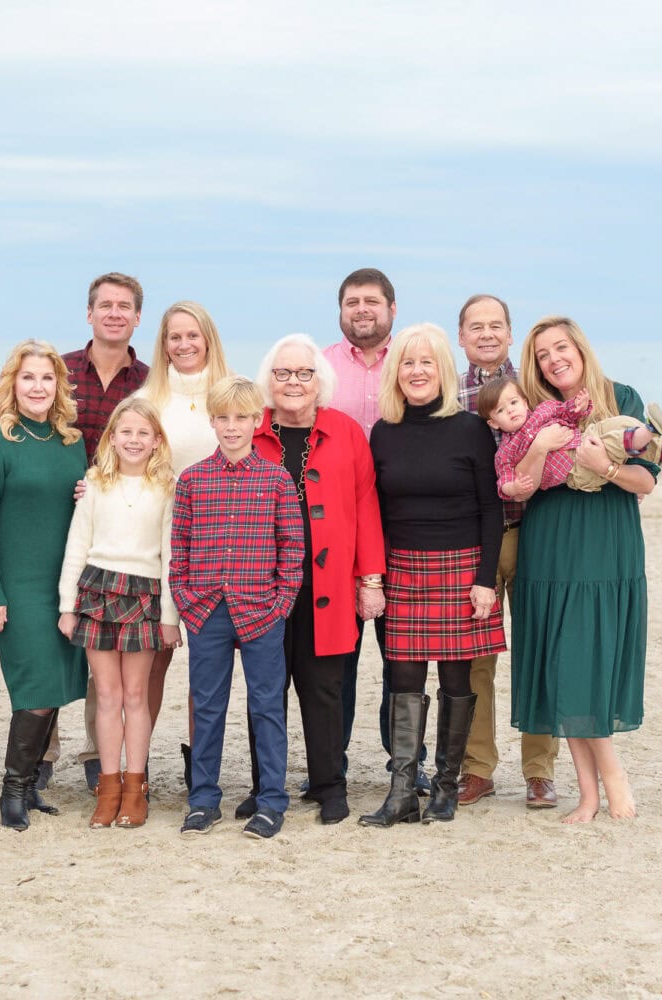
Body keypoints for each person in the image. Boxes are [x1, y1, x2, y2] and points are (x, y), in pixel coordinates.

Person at [509, 317, 658, 824]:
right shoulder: (536, 412)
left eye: (560, 348)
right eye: (543, 355)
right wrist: (539, 446)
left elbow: (646, 483)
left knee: (589, 663)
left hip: (606, 547)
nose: (554, 359)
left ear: (580, 349)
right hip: (549, 547)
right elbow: (518, 484)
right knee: (562, 665)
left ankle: (610, 780)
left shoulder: (624, 399)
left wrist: (606, 468)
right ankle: (590, 794)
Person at [237, 334, 385, 826]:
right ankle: (265, 785)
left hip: (330, 587)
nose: (294, 383)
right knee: (266, 689)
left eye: (304, 373)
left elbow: (365, 506)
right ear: (268, 381)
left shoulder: (345, 431)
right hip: (263, 589)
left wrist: (371, 579)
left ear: (320, 380)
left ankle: (329, 786)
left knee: (325, 688)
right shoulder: (250, 432)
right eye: (283, 374)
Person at [362, 323, 505, 827]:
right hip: (402, 567)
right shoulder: (383, 431)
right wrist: (372, 577)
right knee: (402, 676)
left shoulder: (469, 429)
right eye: (407, 362)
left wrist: (485, 578)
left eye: (426, 362)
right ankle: (402, 790)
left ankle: (445, 787)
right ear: (395, 372)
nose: (416, 371)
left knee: (454, 676)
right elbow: (371, 510)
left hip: (461, 567)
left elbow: (492, 509)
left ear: (442, 369)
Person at [171, 376, 304, 840]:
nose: (232, 427)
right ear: (212, 421)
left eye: (241, 418)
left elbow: (292, 547)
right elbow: (180, 548)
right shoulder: (191, 481)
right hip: (207, 612)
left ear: (256, 421)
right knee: (207, 707)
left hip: (262, 613)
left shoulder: (277, 479)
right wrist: (186, 601)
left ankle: (270, 801)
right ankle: (204, 799)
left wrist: (282, 602)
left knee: (266, 706)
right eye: (223, 418)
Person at [0, 340, 90, 830]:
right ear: (12, 386)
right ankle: (14, 790)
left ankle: (31, 785)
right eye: (27, 378)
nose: (38, 387)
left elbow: (82, 511)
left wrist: (89, 491)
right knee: (35, 688)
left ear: (58, 385)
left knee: (57, 688)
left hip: (65, 585)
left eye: (46, 378)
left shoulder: (72, 442)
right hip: (17, 588)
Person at [452, 294, 559, 809]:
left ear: (511, 333)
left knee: (539, 651)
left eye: (496, 325)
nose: (487, 334)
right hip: (481, 542)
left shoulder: (535, 389)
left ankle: (539, 770)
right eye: (477, 326)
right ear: (462, 336)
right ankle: (478, 768)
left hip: (538, 533)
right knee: (476, 656)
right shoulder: (451, 394)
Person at [321, 268, 423, 793]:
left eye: (372, 302)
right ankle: (329, 764)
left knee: (402, 652)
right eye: (352, 302)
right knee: (336, 656)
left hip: (403, 525)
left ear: (392, 308)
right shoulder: (320, 367)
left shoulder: (411, 363)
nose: (362, 310)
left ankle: (405, 763)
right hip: (335, 530)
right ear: (341, 309)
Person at [58, 398, 181, 829]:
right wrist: (67, 606)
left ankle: (135, 785)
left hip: (145, 596)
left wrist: (170, 616)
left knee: (135, 696)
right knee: (106, 696)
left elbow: (170, 556)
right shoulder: (94, 484)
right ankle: (107, 787)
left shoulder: (167, 488)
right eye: (125, 432)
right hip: (97, 592)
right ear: (112, 438)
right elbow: (76, 545)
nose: (133, 440)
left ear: (156, 442)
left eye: (143, 433)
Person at [133, 300, 233, 791]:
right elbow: (124, 459)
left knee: (206, 669)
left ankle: (202, 767)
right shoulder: (149, 397)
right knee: (153, 659)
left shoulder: (231, 393)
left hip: (219, 546)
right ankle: (138, 765)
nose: (184, 344)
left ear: (208, 338)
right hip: (156, 543)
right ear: (163, 343)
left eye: (192, 335)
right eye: (174, 336)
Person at [61, 273, 151, 792]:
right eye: (105, 305)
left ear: (138, 317)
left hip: (121, 526)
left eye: (125, 307)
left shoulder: (147, 378)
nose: (114, 314)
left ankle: (103, 758)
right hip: (64, 512)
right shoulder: (63, 371)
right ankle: (43, 750)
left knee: (108, 648)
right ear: (89, 312)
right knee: (60, 629)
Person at [479, 378, 662, 496]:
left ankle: (661, 449)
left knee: (619, 423)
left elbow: (568, 413)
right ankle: (650, 432)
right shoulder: (506, 451)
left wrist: (580, 406)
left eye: (513, 403)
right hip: (576, 469)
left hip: (585, 437)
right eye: (500, 410)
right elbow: (505, 478)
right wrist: (513, 487)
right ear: (494, 423)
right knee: (615, 443)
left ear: (524, 402)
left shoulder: (544, 410)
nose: (510, 411)